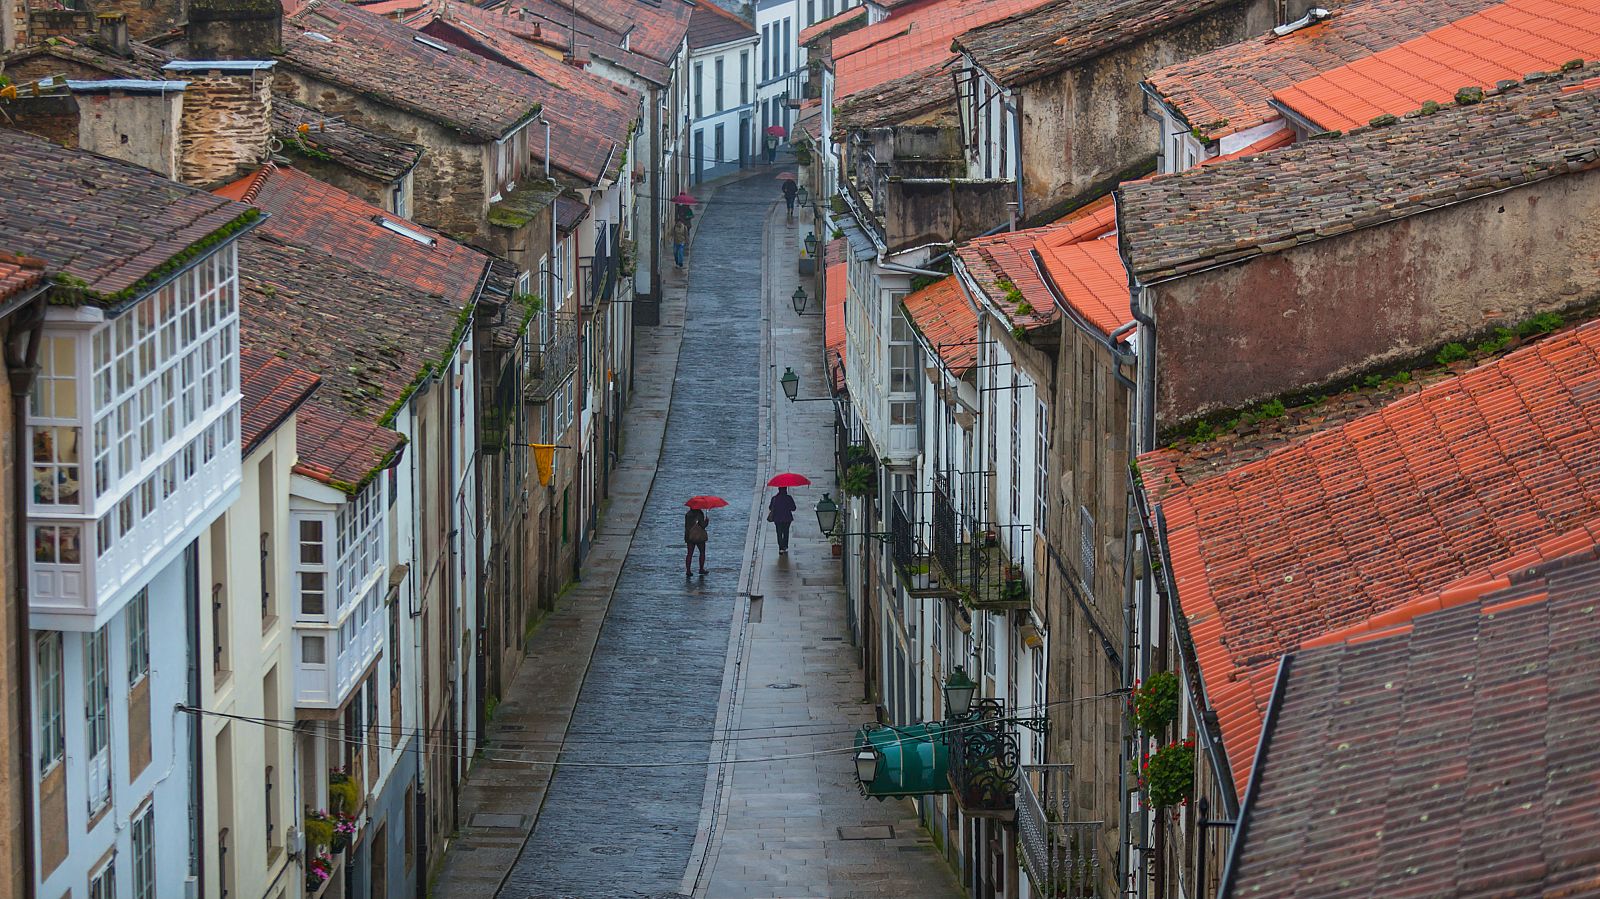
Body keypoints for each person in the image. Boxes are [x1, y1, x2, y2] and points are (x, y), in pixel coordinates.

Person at [767, 487, 797, 553]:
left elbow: (770, 507)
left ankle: (781, 547)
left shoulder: (775, 498)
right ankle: (785, 546)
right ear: (785, 490)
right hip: (787, 518)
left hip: (777, 518)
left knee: (779, 533)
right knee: (786, 532)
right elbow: (793, 508)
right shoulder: (788, 498)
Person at [685, 507, 709, 575]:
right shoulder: (699, 514)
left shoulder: (688, 514)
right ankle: (701, 569)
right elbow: (703, 525)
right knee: (702, 552)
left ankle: (688, 570)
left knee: (689, 554)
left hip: (690, 536)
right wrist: (706, 521)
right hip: (699, 536)